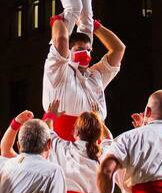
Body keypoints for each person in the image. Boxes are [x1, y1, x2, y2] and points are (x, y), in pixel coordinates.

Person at [43, 14, 125, 142]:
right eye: (80, 49)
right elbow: (61, 40)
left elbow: (118, 49)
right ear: (68, 51)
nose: (86, 53)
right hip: (63, 149)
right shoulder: (59, 72)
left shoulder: (95, 76)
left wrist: (94, 25)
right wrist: (57, 20)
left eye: (89, 50)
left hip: (96, 149)